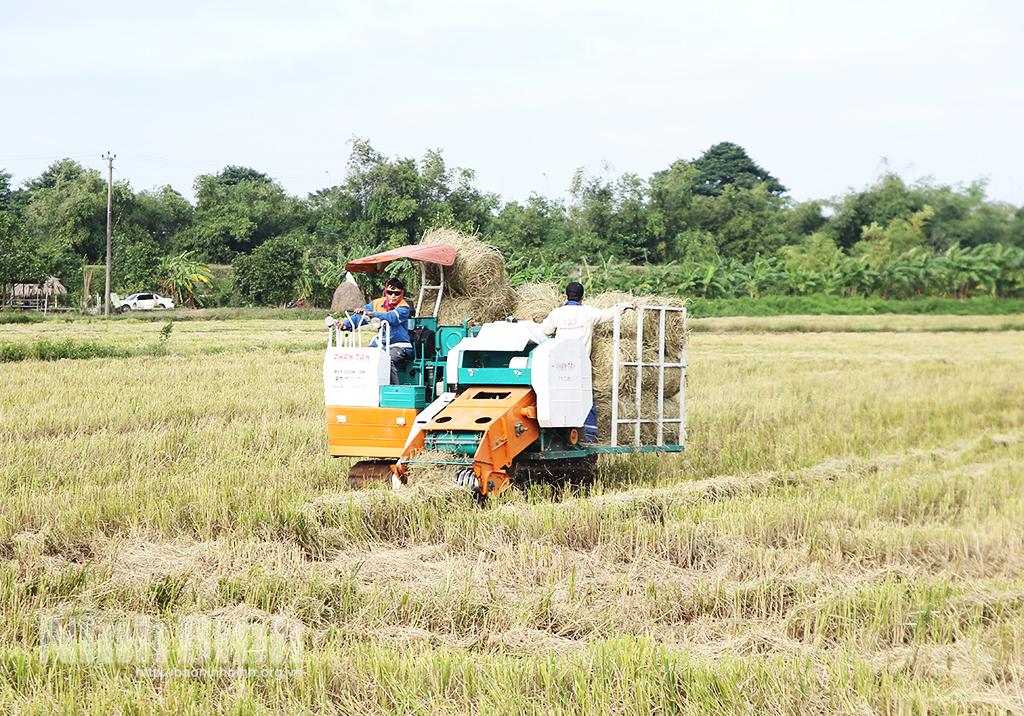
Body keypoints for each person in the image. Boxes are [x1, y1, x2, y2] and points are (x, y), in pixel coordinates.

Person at [540, 282, 637, 441]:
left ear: (566, 296)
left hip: (558, 365)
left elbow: (544, 331)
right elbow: (610, 314)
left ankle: (559, 434)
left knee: (560, 399)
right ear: (582, 297)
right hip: (579, 365)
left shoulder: (556, 314)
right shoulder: (588, 313)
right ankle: (589, 435)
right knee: (584, 399)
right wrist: (627, 305)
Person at [340, 277, 413, 384]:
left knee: (386, 360)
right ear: (385, 291)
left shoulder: (404, 308)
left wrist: (372, 314)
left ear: (402, 293)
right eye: (390, 292)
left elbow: (391, 318)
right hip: (380, 343)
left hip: (399, 345)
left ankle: (393, 389)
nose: (393, 296)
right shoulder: (377, 303)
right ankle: (365, 385)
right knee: (364, 358)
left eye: (397, 293)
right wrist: (345, 324)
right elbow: (361, 316)